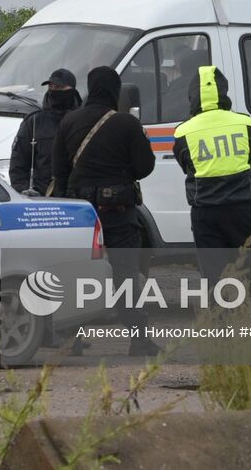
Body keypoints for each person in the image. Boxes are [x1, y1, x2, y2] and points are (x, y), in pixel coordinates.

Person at [52, 65, 159, 357]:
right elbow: (145, 167)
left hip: (81, 215)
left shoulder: (69, 121)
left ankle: (69, 340)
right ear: (114, 90)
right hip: (118, 213)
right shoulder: (126, 123)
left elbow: (59, 171)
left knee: (76, 275)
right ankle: (139, 340)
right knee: (126, 275)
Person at [172, 66, 251, 281]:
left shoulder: (183, 131)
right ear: (223, 91)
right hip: (242, 210)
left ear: (193, 95)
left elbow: (186, 166)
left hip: (206, 213)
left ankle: (217, 315)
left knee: (213, 277)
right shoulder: (245, 122)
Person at [7, 68, 81, 196]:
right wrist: (24, 191)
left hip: (76, 198)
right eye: (51, 86)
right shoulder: (34, 121)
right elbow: (18, 164)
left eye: (59, 87)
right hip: (42, 200)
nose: (54, 90)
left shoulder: (83, 121)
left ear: (71, 91)